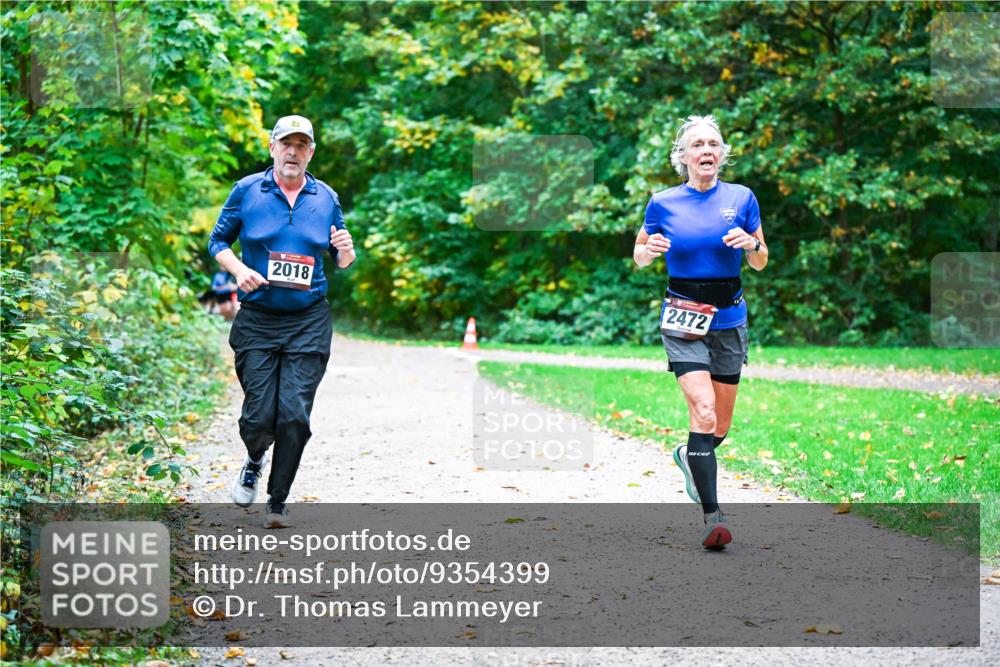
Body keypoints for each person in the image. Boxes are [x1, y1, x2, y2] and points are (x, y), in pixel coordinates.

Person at [208, 115, 356, 528]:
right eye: (285, 144)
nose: (293, 151)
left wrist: (345, 250)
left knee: (294, 414)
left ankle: (277, 500)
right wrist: (238, 270)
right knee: (259, 416)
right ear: (272, 147)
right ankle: (255, 457)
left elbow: (341, 258)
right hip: (257, 317)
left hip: (308, 319)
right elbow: (217, 240)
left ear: (311, 151)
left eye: (301, 145)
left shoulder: (325, 196)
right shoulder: (247, 191)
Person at [633, 114, 768, 549]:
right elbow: (639, 252)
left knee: (719, 425)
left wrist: (753, 245)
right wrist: (647, 252)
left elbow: (762, 258)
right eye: (697, 145)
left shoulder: (743, 197)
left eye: (713, 144)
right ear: (684, 157)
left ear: (722, 154)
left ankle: (688, 456)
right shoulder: (663, 202)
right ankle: (714, 517)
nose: (706, 151)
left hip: (729, 319)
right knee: (704, 412)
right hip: (683, 317)